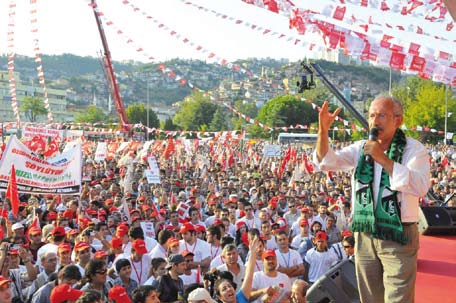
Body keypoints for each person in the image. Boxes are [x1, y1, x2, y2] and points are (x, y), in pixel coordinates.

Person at [315, 97, 431, 302]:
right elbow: (326, 162)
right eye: (371, 115)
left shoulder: (415, 150)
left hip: (398, 234)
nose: (374, 121)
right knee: (370, 297)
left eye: (381, 115)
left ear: (398, 120)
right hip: (365, 233)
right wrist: (323, 131)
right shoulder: (361, 148)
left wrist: (384, 159)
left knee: (398, 298)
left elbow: (420, 186)